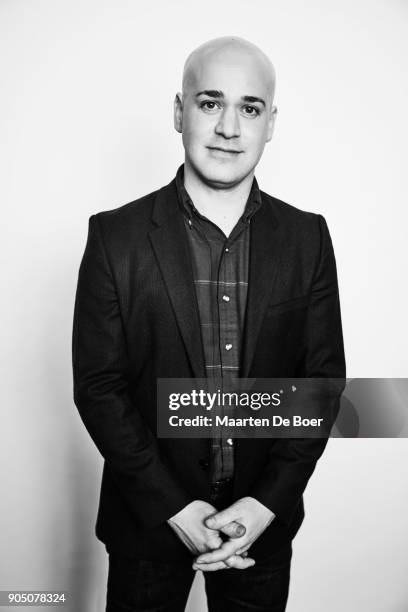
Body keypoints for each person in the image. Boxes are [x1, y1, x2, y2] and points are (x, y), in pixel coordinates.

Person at [72, 35, 345, 612]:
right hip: (147, 525)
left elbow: (321, 387)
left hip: (260, 530)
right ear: (179, 111)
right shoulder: (114, 238)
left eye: (250, 108)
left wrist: (265, 505)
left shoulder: (307, 239)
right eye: (209, 102)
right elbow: (99, 389)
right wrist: (174, 508)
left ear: (271, 123)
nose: (229, 126)